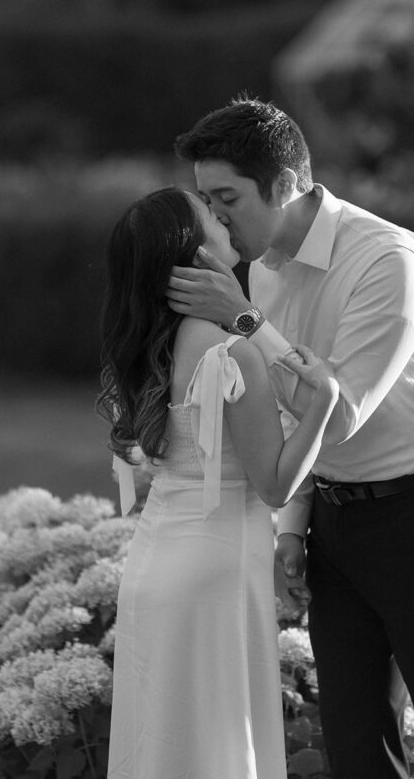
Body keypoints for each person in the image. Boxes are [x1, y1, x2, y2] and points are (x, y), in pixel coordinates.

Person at [166, 98, 414, 779]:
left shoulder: (387, 259)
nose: (215, 216)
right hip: (333, 519)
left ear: (284, 185)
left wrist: (240, 320)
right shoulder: (263, 266)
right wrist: (293, 526)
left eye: (228, 197)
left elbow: (343, 407)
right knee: (357, 751)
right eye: (206, 198)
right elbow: (293, 412)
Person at [98, 186, 339, 779]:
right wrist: (326, 400)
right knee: (216, 751)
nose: (221, 214)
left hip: (155, 567)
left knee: (163, 748)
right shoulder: (234, 354)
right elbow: (276, 485)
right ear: (194, 252)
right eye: (207, 211)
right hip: (214, 579)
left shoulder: (158, 346)